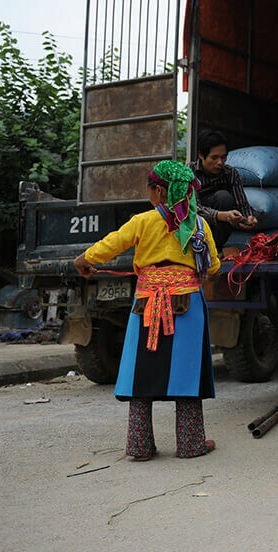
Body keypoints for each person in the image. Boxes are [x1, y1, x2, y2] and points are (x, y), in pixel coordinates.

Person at [73, 161, 220, 460]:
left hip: (147, 304)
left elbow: (113, 243)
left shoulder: (142, 221)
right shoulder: (200, 225)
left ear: (158, 191)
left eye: (149, 188)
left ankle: (140, 447)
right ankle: (191, 445)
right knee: (187, 373)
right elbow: (214, 266)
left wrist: (85, 259)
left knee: (142, 370)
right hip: (187, 304)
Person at [190, 129, 257, 249]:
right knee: (223, 196)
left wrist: (248, 217)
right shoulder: (189, 172)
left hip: (221, 228)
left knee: (224, 197)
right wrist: (222, 215)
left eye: (223, 157)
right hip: (197, 227)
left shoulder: (230, 173)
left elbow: (242, 204)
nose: (220, 162)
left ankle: (216, 248)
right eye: (214, 158)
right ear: (201, 155)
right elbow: (193, 209)